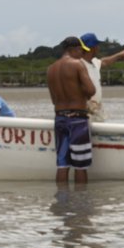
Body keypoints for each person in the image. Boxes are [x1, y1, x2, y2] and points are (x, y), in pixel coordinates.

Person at [47, 36, 98, 184]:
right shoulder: (77, 65)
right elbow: (91, 90)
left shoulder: (51, 69)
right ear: (74, 49)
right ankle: (80, 197)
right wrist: (81, 92)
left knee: (62, 164)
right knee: (80, 166)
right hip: (78, 119)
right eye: (81, 51)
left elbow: (53, 100)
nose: (82, 54)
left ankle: (62, 197)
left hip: (59, 118)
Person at [76, 31, 124, 120]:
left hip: (97, 108)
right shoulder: (78, 65)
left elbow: (104, 61)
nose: (98, 48)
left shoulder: (94, 62)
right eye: (97, 45)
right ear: (92, 48)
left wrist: (119, 55)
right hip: (85, 110)